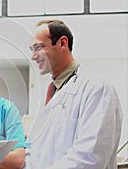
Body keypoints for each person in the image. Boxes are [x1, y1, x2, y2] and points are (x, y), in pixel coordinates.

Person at [26, 20, 123, 169]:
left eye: (39, 47)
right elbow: (37, 150)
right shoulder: (50, 92)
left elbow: (90, 156)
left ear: (62, 43)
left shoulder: (97, 88)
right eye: (32, 49)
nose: (33, 56)